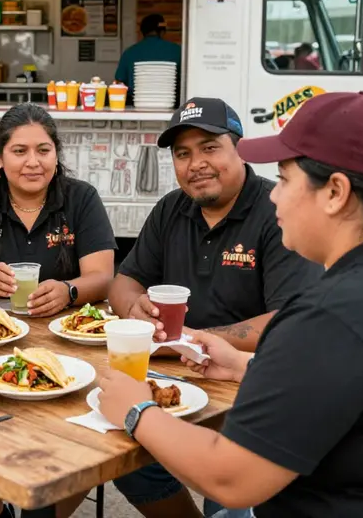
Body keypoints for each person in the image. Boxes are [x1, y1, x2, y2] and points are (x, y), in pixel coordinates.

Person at [99, 90, 363, 517]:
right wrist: (243, 367)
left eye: (286, 180)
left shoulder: (331, 314)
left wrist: (137, 409)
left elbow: (231, 478)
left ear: (336, 192)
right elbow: (347, 388)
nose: (274, 195)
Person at [107, 96, 321, 518]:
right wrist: (133, 305)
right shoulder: (172, 208)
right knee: (122, 452)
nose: (195, 163)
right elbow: (123, 281)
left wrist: (190, 341)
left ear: (238, 148)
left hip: (246, 382)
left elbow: (288, 319)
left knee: (229, 493)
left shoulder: (275, 208)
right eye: (182, 154)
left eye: (209, 147)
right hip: (171, 372)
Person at [0, 102, 117, 518]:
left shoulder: (80, 198)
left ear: (57, 154)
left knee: (83, 434)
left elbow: (103, 276)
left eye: (43, 150)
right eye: (19, 151)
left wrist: (69, 290)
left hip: (70, 346)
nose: (32, 162)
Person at [115, 13, 182, 101]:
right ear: (162, 32)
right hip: (170, 103)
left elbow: (119, 82)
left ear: (142, 32)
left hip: (136, 104)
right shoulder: (178, 51)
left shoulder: (129, 52)